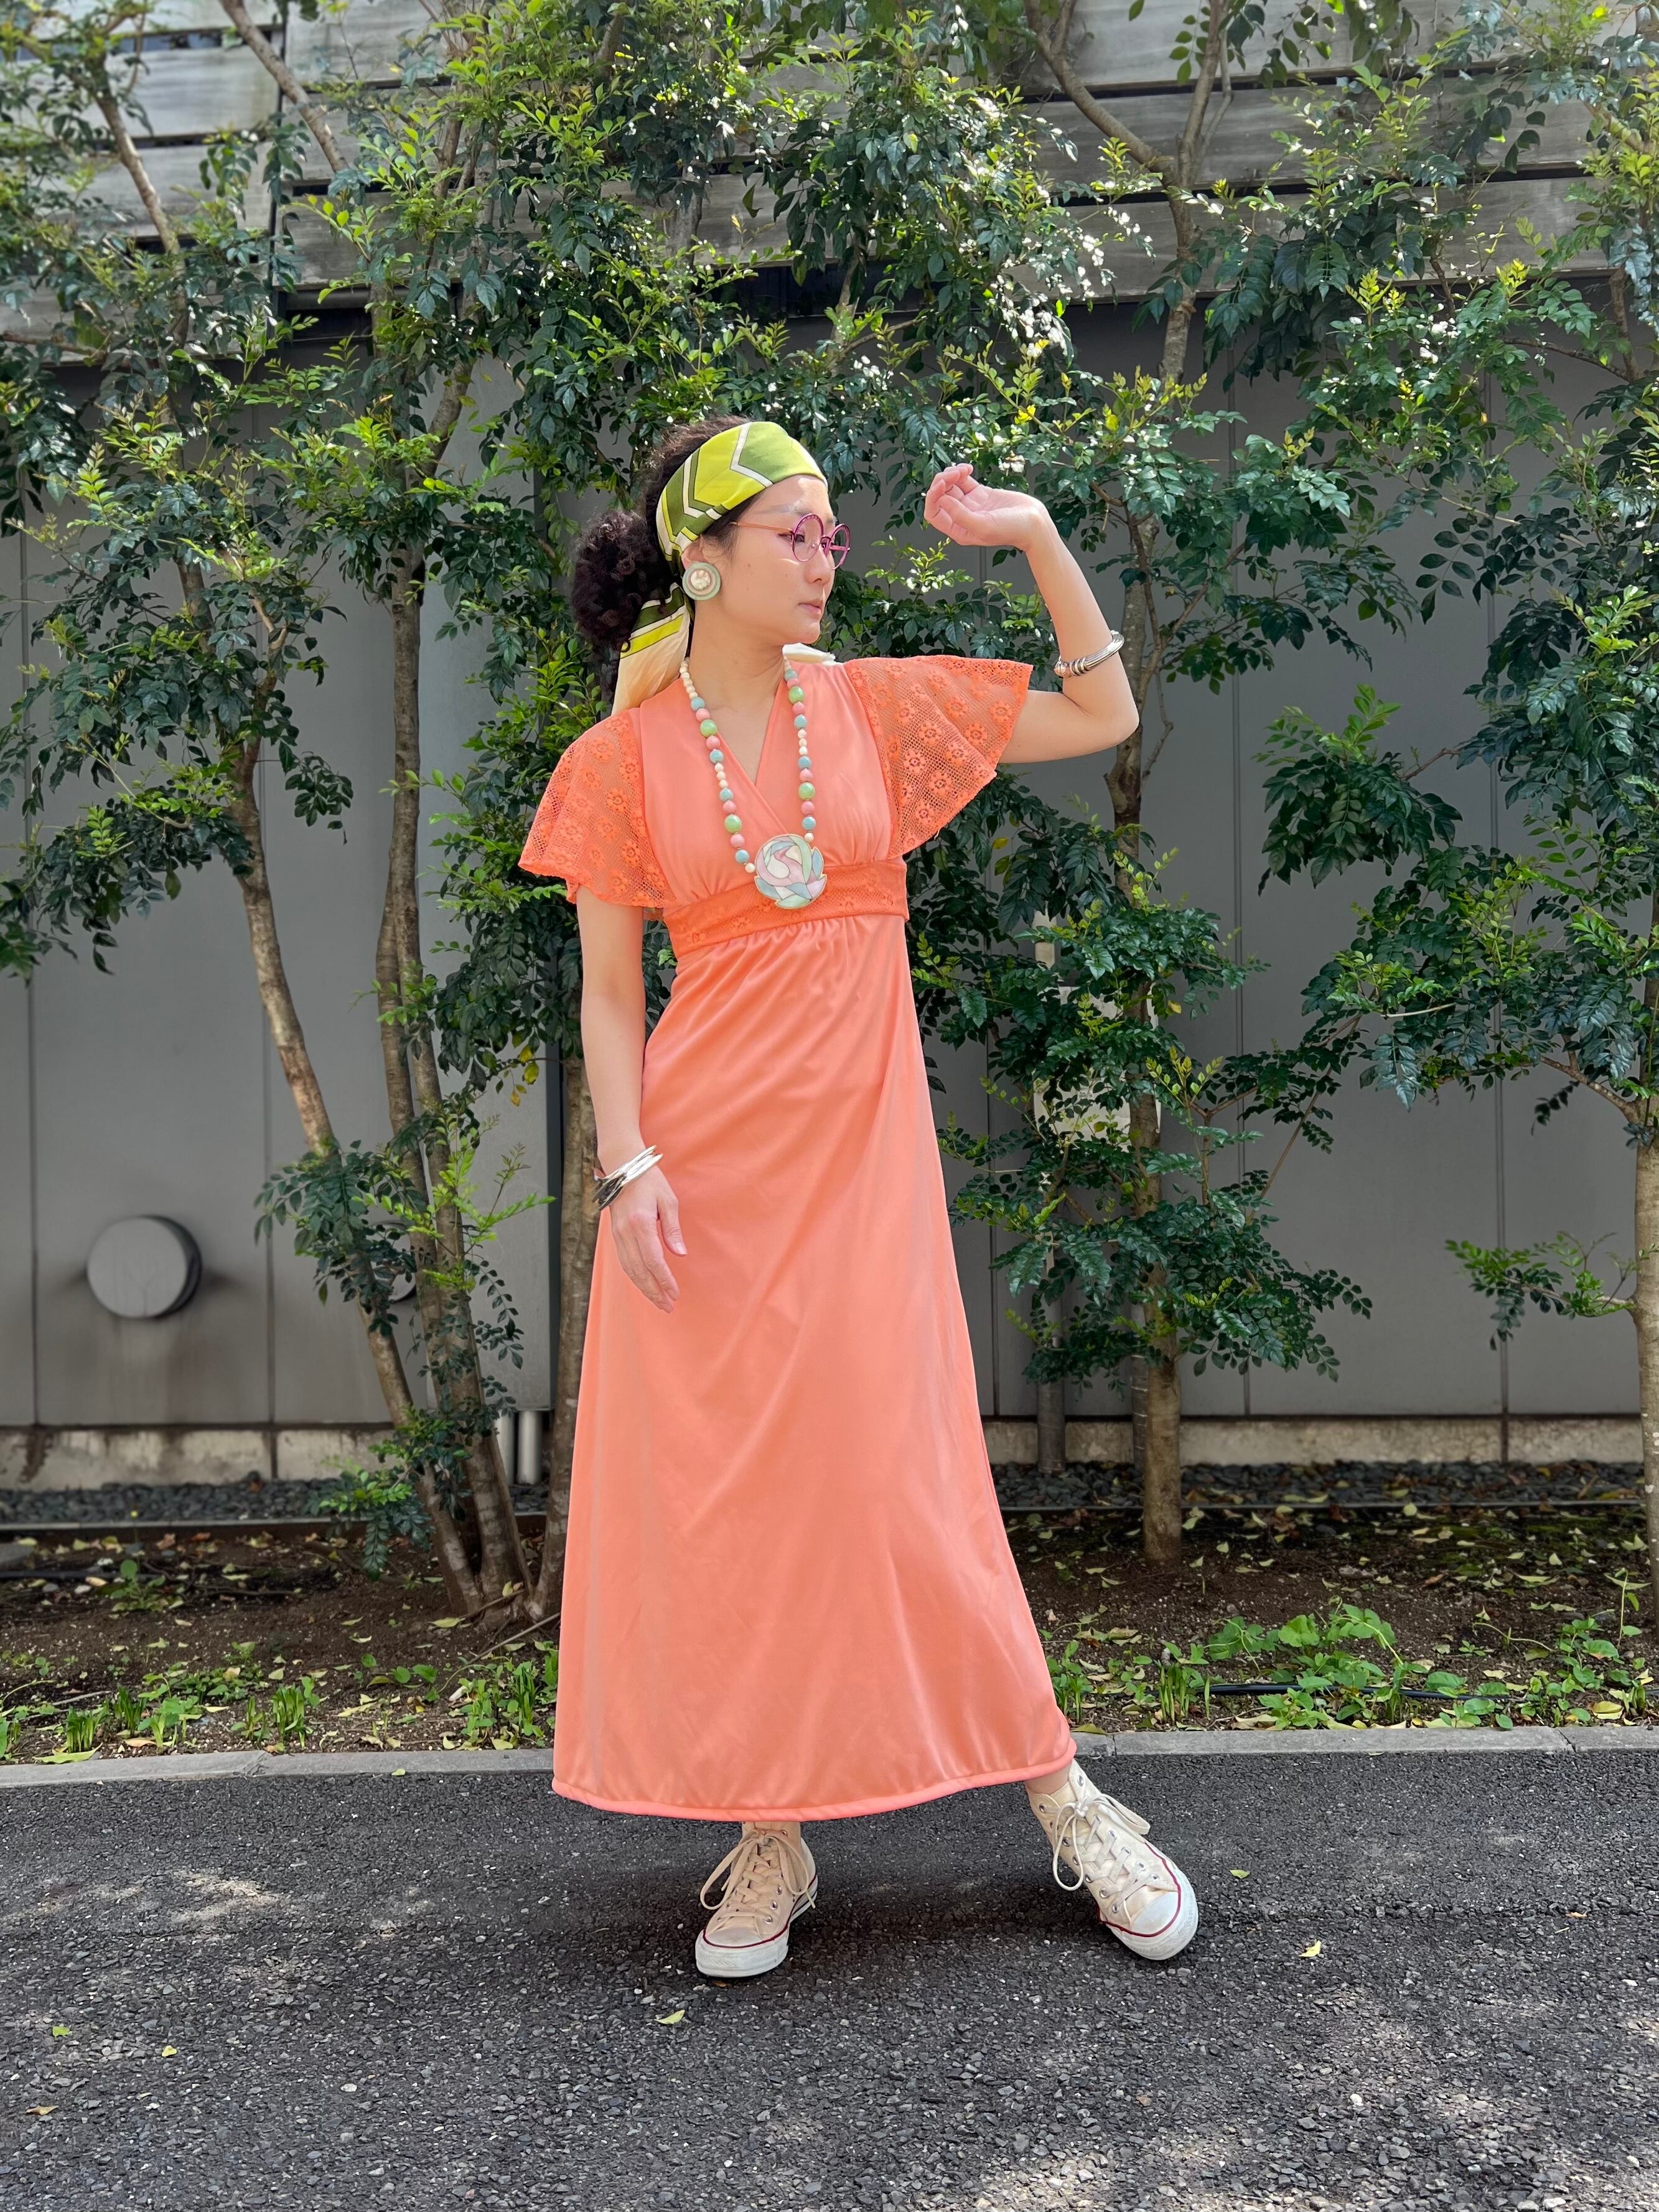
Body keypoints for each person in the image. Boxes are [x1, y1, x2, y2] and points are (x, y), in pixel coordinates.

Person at [519, 416, 1199, 1980]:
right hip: (699, 1177)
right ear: (703, 556)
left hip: (862, 1170)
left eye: (833, 535)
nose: (827, 560)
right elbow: (610, 995)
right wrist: (627, 1166)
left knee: (912, 1481)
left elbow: (1103, 709)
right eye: (795, 534)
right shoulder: (616, 760)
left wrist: (1033, 535)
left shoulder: (875, 711)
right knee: (742, 1506)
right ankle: (772, 1824)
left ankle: (1063, 1789)